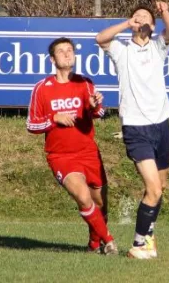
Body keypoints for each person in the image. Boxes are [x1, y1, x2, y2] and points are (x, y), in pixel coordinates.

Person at [96, 1, 169, 260]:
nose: (139, 19)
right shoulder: (122, 50)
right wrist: (125, 23)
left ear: (152, 26)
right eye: (135, 16)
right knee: (153, 188)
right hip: (135, 127)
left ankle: (147, 238)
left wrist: (163, 12)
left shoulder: (157, 46)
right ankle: (140, 245)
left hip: (161, 124)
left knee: (159, 188)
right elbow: (101, 38)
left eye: (145, 17)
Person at [26, 37, 117, 255]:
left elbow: (99, 112)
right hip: (61, 155)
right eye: (61, 51)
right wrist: (53, 117)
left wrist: (94, 106)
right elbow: (31, 124)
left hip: (88, 152)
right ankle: (110, 241)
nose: (67, 54)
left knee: (99, 203)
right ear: (52, 58)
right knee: (83, 197)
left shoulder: (85, 83)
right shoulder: (42, 88)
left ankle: (94, 244)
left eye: (70, 50)